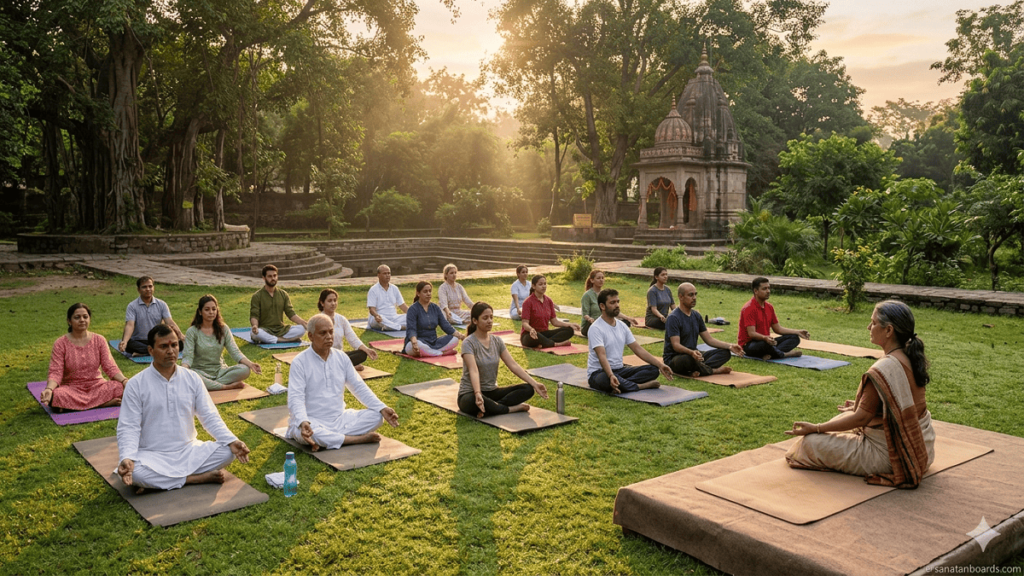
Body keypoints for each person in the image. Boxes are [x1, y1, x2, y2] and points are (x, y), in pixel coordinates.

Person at [784, 301, 935, 487]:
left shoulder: (885, 368)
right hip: (923, 449)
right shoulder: (909, 355)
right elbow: (899, 405)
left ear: (889, 330)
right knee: (844, 416)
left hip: (894, 457)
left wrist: (816, 428)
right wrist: (862, 408)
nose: (868, 327)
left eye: (873, 322)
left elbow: (861, 418)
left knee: (809, 444)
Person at [116, 325, 251, 492]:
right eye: (163, 346)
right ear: (150, 350)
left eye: (174, 345)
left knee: (228, 452)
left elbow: (209, 416)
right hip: (152, 454)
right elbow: (128, 426)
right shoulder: (136, 384)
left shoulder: (192, 378)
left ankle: (163, 482)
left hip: (188, 451)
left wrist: (231, 440)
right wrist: (127, 456)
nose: (171, 351)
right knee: (136, 473)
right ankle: (193, 479)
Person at [287, 314, 400, 451]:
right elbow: (295, 397)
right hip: (312, 420)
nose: (329, 337)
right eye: (323, 333)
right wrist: (303, 421)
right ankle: (356, 439)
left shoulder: (341, 358)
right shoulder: (300, 362)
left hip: (339, 419)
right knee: (308, 432)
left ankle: (333, 439)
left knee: (376, 416)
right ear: (311, 336)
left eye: (331, 332)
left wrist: (382, 408)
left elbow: (358, 387)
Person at [458, 302, 549, 417]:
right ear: (475, 321)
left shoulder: (497, 341)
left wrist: (535, 384)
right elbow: (473, 370)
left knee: (528, 389)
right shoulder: (468, 343)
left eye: (491, 317)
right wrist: (477, 393)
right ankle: (510, 409)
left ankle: (492, 408)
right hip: (470, 393)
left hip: (492, 392)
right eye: (485, 318)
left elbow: (513, 365)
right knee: (471, 401)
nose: (489, 321)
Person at [41, 303, 127, 411]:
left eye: (85, 317)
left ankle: (73, 407)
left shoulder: (99, 340)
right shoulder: (60, 343)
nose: (82, 320)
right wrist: (49, 389)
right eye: (77, 317)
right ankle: (101, 403)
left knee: (118, 387)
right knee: (57, 395)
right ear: (69, 321)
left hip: (97, 386)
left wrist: (124, 381)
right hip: (72, 388)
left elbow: (110, 366)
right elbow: (56, 371)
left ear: (89, 319)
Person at [588, 289, 674, 394]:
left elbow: (637, 349)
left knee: (653, 370)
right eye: (612, 302)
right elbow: (602, 355)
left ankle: (620, 384)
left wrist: (660, 365)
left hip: (620, 370)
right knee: (604, 380)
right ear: (602, 306)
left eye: (618, 302)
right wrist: (610, 375)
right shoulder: (596, 328)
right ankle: (639, 386)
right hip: (600, 372)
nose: (617, 305)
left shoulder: (622, 326)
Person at [182, 295, 262, 391]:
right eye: (207, 309)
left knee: (245, 369)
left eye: (214, 309)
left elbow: (235, 351)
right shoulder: (192, 331)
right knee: (191, 375)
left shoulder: (223, 329)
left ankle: (210, 385)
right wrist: (183, 371)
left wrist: (251, 364)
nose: (211, 312)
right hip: (200, 372)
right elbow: (188, 357)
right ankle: (226, 386)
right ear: (200, 312)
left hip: (220, 372)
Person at [664, 283, 744, 377]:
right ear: (681, 297)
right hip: (677, 357)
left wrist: (730, 346)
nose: (694, 298)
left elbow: (709, 340)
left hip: (694, 355)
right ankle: (712, 370)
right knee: (687, 359)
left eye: (695, 294)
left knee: (725, 353)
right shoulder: (673, 318)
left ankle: (698, 369)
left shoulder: (696, 316)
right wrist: (691, 352)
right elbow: (676, 345)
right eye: (690, 295)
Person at [738, 277, 809, 359]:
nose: (768, 291)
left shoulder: (769, 307)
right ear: (756, 291)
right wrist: (765, 338)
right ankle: (785, 354)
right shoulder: (748, 308)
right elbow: (752, 334)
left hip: (767, 342)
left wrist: (797, 332)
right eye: (764, 289)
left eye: (769, 288)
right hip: (750, 345)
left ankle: (771, 354)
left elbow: (778, 329)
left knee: (794, 338)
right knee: (764, 344)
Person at [118, 276, 184, 356]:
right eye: (144, 287)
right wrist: (125, 341)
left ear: (153, 288)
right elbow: (130, 325)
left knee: (180, 343)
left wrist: (181, 335)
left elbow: (169, 322)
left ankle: (145, 352)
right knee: (129, 344)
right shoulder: (132, 306)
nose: (148, 289)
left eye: (150, 286)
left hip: (157, 340)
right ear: (138, 290)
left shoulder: (162, 304)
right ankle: (157, 350)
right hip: (139, 340)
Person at [318, 289, 378, 371]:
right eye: (329, 301)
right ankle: (347, 367)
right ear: (322, 303)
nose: (333, 303)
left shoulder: (341, 319)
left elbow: (353, 338)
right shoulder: (318, 320)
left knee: (362, 354)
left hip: (338, 356)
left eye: (335, 300)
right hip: (323, 357)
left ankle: (342, 367)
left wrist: (367, 350)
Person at [249, 265, 307, 344]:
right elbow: (254, 315)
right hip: (265, 330)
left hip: (281, 330)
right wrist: (255, 326)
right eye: (270, 276)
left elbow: (290, 313)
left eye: (275, 276)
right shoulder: (257, 296)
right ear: (264, 278)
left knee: (301, 329)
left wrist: (304, 322)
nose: (273, 278)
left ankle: (275, 339)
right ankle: (284, 340)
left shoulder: (283, 294)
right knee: (254, 334)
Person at [404, 281, 465, 357]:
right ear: (418, 293)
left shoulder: (435, 308)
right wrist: (414, 342)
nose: (428, 293)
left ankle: (431, 352)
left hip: (434, 342)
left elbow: (445, 325)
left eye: (430, 291)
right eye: (425, 291)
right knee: (419, 346)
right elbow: (411, 329)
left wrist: (461, 336)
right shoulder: (412, 309)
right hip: (418, 342)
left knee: (455, 339)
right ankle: (441, 353)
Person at [520, 275, 578, 348]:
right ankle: (556, 344)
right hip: (530, 334)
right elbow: (525, 323)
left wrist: (570, 325)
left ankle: (545, 343)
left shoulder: (549, 301)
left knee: (569, 330)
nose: (543, 286)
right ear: (533, 286)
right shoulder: (527, 302)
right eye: (540, 284)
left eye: (545, 284)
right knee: (537, 335)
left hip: (544, 333)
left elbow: (555, 322)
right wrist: (531, 329)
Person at [581, 270, 637, 337]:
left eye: (602, 278)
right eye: (598, 278)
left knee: (625, 322)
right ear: (592, 280)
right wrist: (590, 319)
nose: (601, 280)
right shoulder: (587, 295)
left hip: (605, 322)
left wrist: (628, 318)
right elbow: (585, 314)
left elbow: (612, 310)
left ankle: (611, 331)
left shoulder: (605, 294)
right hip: (591, 324)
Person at [367, 264, 408, 331]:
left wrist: (413, 314)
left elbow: (403, 306)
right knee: (381, 319)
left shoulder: (394, 288)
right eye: (385, 273)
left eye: (389, 273)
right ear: (378, 275)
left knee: (409, 317)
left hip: (394, 318)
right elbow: (371, 309)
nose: (387, 275)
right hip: (379, 318)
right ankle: (400, 327)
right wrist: (376, 316)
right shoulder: (373, 290)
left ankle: (391, 327)